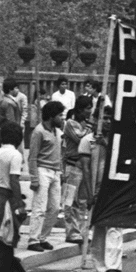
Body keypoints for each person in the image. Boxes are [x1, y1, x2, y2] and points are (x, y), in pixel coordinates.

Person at [83, 102, 122, 272]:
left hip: (113, 190)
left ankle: (113, 266)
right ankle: (101, 266)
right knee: (98, 229)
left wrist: (105, 144)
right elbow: (86, 169)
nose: (106, 122)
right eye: (103, 118)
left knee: (114, 226)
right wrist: (90, 194)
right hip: (96, 190)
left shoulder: (117, 140)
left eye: (109, 119)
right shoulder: (87, 141)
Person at [26, 100, 65, 252]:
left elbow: (60, 154)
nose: (62, 118)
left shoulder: (58, 132)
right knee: (39, 207)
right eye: (60, 115)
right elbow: (33, 157)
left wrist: (60, 171)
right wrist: (34, 178)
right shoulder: (38, 132)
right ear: (51, 116)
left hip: (55, 172)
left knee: (54, 208)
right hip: (42, 171)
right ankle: (33, 239)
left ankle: (43, 237)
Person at [0, 120, 32, 272]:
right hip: (6, 199)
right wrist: (19, 203)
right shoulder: (15, 155)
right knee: (8, 237)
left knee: (4, 237)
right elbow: (14, 180)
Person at [61, 95, 93, 244]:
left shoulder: (87, 124)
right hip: (72, 166)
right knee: (70, 201)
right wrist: (89, 130)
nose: (90, 111)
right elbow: (81, 139)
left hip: (84, 167)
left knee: (82, 202)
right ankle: (71, 232)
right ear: (80, 109)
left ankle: (82, 231)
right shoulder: (70, 123)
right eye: (87, 108)